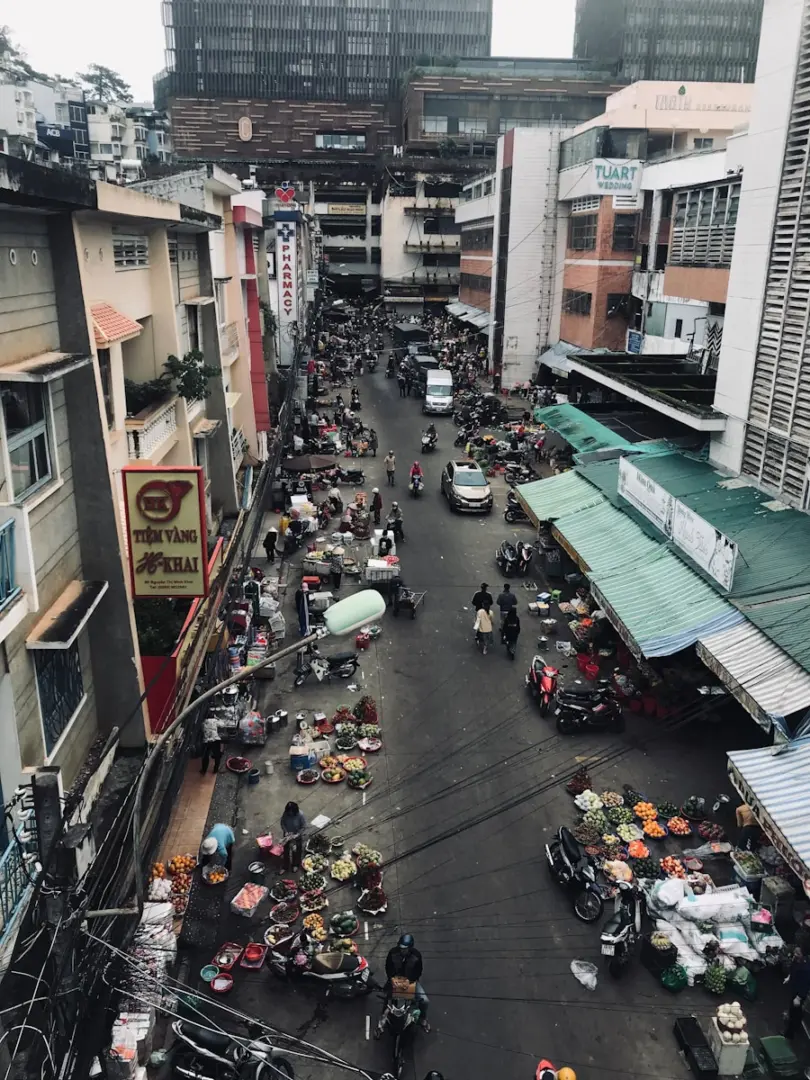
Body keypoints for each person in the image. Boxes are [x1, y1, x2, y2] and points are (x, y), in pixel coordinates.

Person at [376, 933, 430, 1035]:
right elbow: (388, 967)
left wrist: (409, 980)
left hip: (410, 982)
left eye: (405, 949)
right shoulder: (393, 953)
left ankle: (423, 1019)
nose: (402, 950)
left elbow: (418, 971)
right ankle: (381, 1023)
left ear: (410, 948)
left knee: (425, 1001)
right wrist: (392, 979)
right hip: (394, 981)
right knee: (386, 999)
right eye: (401, 948)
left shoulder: (416, 956)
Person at [281, 801, 307, 872]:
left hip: (296, 836)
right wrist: (286, 832)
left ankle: (295, 865)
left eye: (291, 812)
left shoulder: (300, 815)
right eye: (288, 812)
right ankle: (285, 866)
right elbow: (282, 823)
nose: (289, 813)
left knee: (296, 851)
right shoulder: (286, 813)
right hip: (287, 835)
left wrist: (297, 834)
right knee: (286, 851)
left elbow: (304, 826)